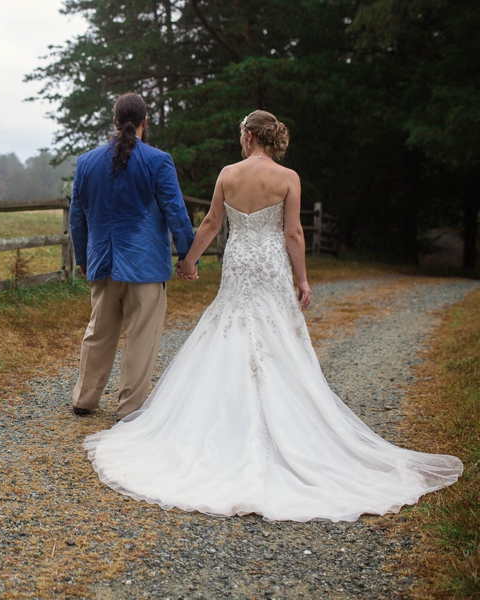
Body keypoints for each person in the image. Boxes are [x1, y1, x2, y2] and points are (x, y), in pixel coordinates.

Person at [85, 110, 462, 521]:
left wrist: (189, 260)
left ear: (249, 136)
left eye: (240, 135)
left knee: (229, 326)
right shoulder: (289, 178)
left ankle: (219, 422)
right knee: (276, 332)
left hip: (240, 260)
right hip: (269, 263)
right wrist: (303, 279)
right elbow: (293, 233)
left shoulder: (228, 174)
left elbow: (211, 222)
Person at [67, 93, 195, 419]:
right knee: (141, 337)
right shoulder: (158, 160)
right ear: (145, 121)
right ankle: (130, 409)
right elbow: (176, 213)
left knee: (99, 331)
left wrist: (83, 258)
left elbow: (77, 217)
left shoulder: (86, 162)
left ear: (114, 120)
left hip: (102, 263)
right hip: (145, 265)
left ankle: (84, 398)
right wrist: (188, 256)